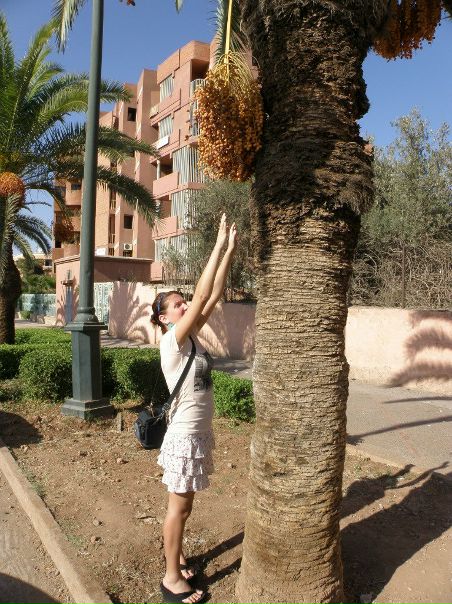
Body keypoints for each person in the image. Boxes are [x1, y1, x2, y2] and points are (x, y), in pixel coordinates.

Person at [150, 214, 237, 604]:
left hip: (197, 433)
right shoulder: (171, 343)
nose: (185, 305)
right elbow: (202, 298)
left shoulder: (193, 338)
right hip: (184, 435)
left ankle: (178, 557)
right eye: (177, 304)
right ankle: (171, 578)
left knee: (182, 508)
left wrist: (229, 251)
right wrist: (216, 243)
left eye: (183, 301)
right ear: (164, 318)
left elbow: (212, 295)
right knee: (180, 509)